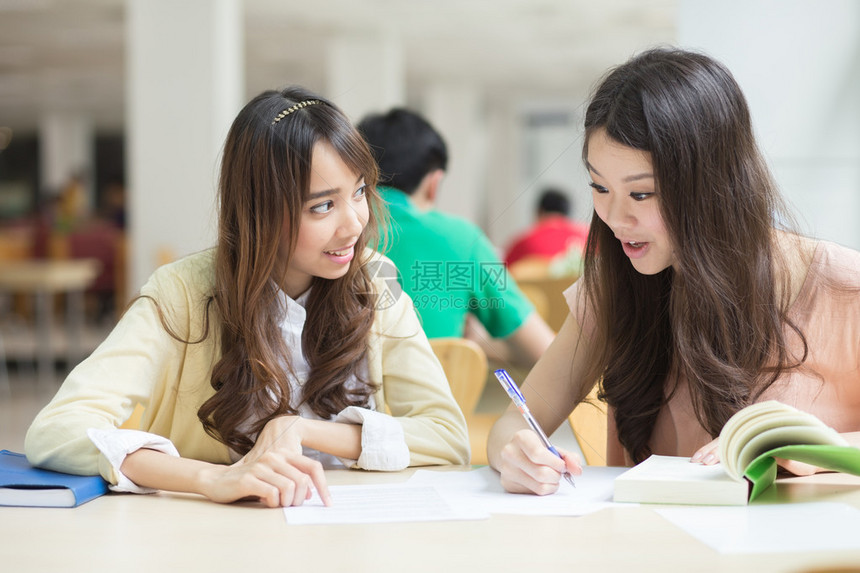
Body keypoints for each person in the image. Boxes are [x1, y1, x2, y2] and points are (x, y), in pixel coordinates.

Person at [25, 87, 470, 507]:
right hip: (216, 539)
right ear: (260, 212)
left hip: (347, 534)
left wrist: (300, 430)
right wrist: (211, 479)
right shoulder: (182, 293)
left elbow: (447, 436)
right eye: (322, 206)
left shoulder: (375, 280)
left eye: (358, 192)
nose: (354, 223)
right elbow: (56, 431)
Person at [488, 47, 860, 495]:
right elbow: (518, 417)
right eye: (599, 187)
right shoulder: (616, 286)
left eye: (641, 194)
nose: (615, 217)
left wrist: (820, 448)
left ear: (712, 186)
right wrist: (516, 452)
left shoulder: (843, 291)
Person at [357, 108, 555, 368]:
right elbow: (545, 353)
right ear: (433, 183)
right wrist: (475, 347)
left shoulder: (332, 231)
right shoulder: (463, 239)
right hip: (432, 405)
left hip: (336, 404)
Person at [503, 187, 589, 268]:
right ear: (567, 213)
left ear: (540, 211)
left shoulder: (524, 242)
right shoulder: (589, 237)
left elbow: (501, 274)